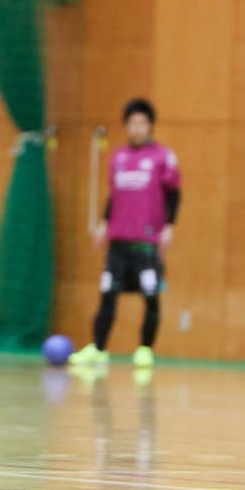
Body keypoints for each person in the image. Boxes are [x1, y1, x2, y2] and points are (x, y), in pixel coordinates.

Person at [69, 99, 180, 368]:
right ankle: (98, 349)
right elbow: (114, 196)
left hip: (146, 243)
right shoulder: (119, 158)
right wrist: (104, 223)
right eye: (132, 123)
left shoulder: (163, 157)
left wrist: (169, 226)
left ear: (150, 125)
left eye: (142, 122)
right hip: (118, 243)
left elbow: (174, 194)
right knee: (108, 294)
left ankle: (145, 350)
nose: (137, 128)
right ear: (127, 126)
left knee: (151, 296)